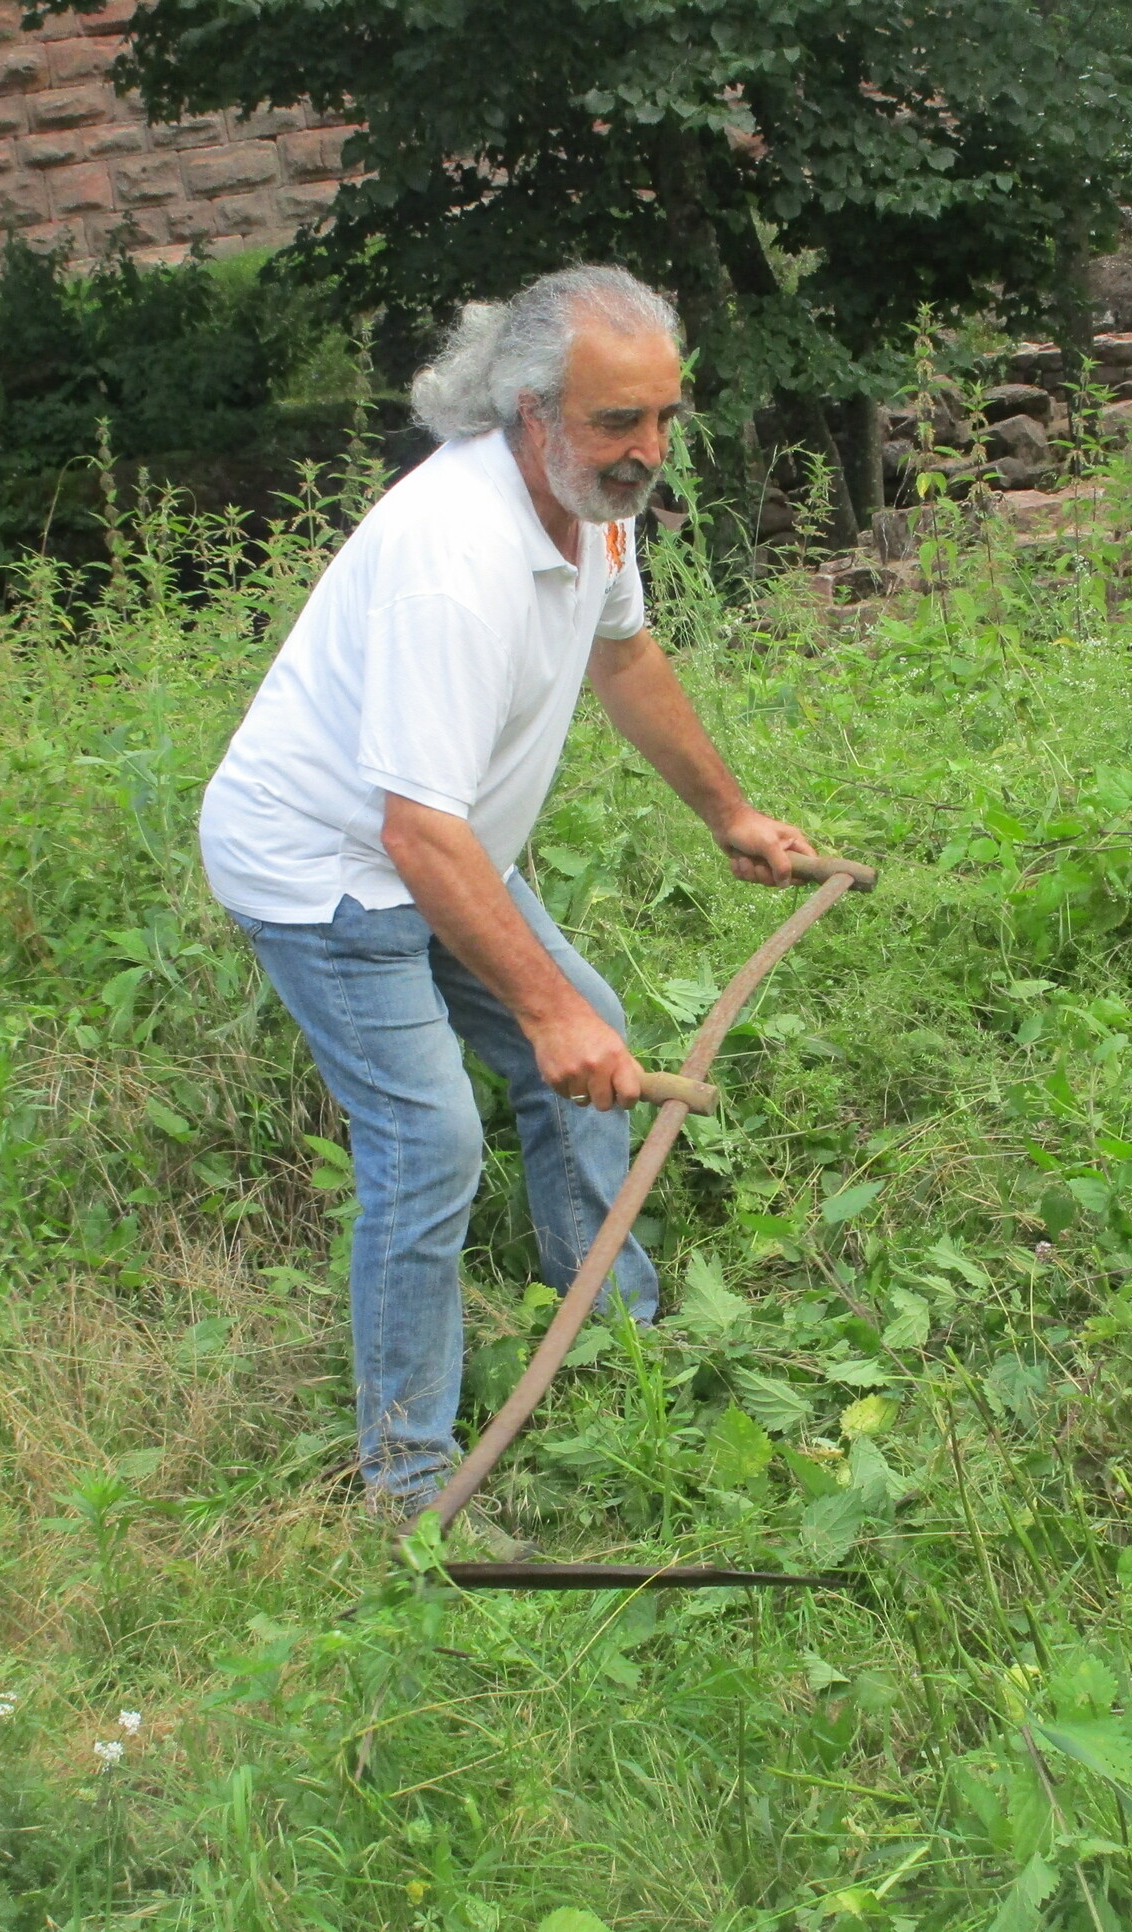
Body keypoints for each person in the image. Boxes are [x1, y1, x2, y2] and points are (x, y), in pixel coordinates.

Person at [198, 265, 818, 1521]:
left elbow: (625, 656)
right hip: (326, 873)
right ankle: (407, 1484)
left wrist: (730, 814)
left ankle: (611, 1330)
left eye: (664, 417)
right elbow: (412, 832)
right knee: (429, 1145)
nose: (648, 451)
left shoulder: (593, 504)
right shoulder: (453, 557)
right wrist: (543, 1015)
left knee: (596, 1038)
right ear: (528, 412)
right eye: (616, 421)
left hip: (440, 852)